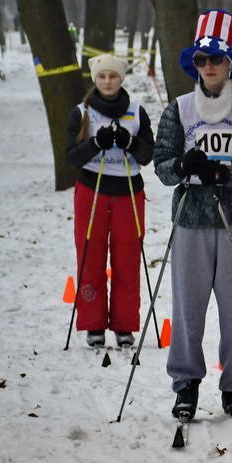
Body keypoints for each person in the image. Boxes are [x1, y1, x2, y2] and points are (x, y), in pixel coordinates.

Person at [153, 9, 232, 422]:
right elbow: (162, 164)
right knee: (188, 307)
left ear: (230, 65)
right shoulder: (179, 110)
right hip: (190, 221)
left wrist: (224, 173)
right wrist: (184, 167)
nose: (208, 67)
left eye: (216, 60)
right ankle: (186, 384)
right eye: (201, 60)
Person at [65, 53, 155, 348]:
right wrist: (95, 143)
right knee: (90, 255)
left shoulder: (136, 111)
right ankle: (93, 324)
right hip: (92, 188)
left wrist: (130, 142)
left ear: (121, 79)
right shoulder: (82, 112)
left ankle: (124, 324)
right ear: (95, 79)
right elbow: (71, 158)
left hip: (128, 190)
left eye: (113, 76)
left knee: (127, 258)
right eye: (102, 76)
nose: (107, 81)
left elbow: (147, 156)